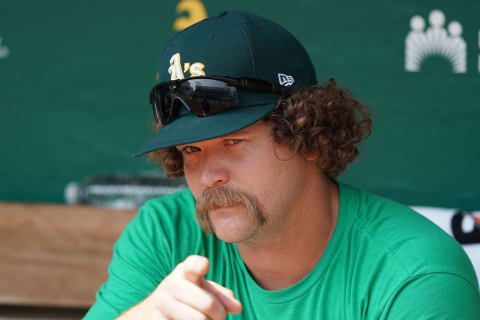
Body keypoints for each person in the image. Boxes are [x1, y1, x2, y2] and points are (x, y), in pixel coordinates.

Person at [84, 10, 480, 320]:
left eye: (233, 141)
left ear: (307, 136)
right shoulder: (165, 233)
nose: (207, 175)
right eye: (190, 150)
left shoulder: (413, 275)